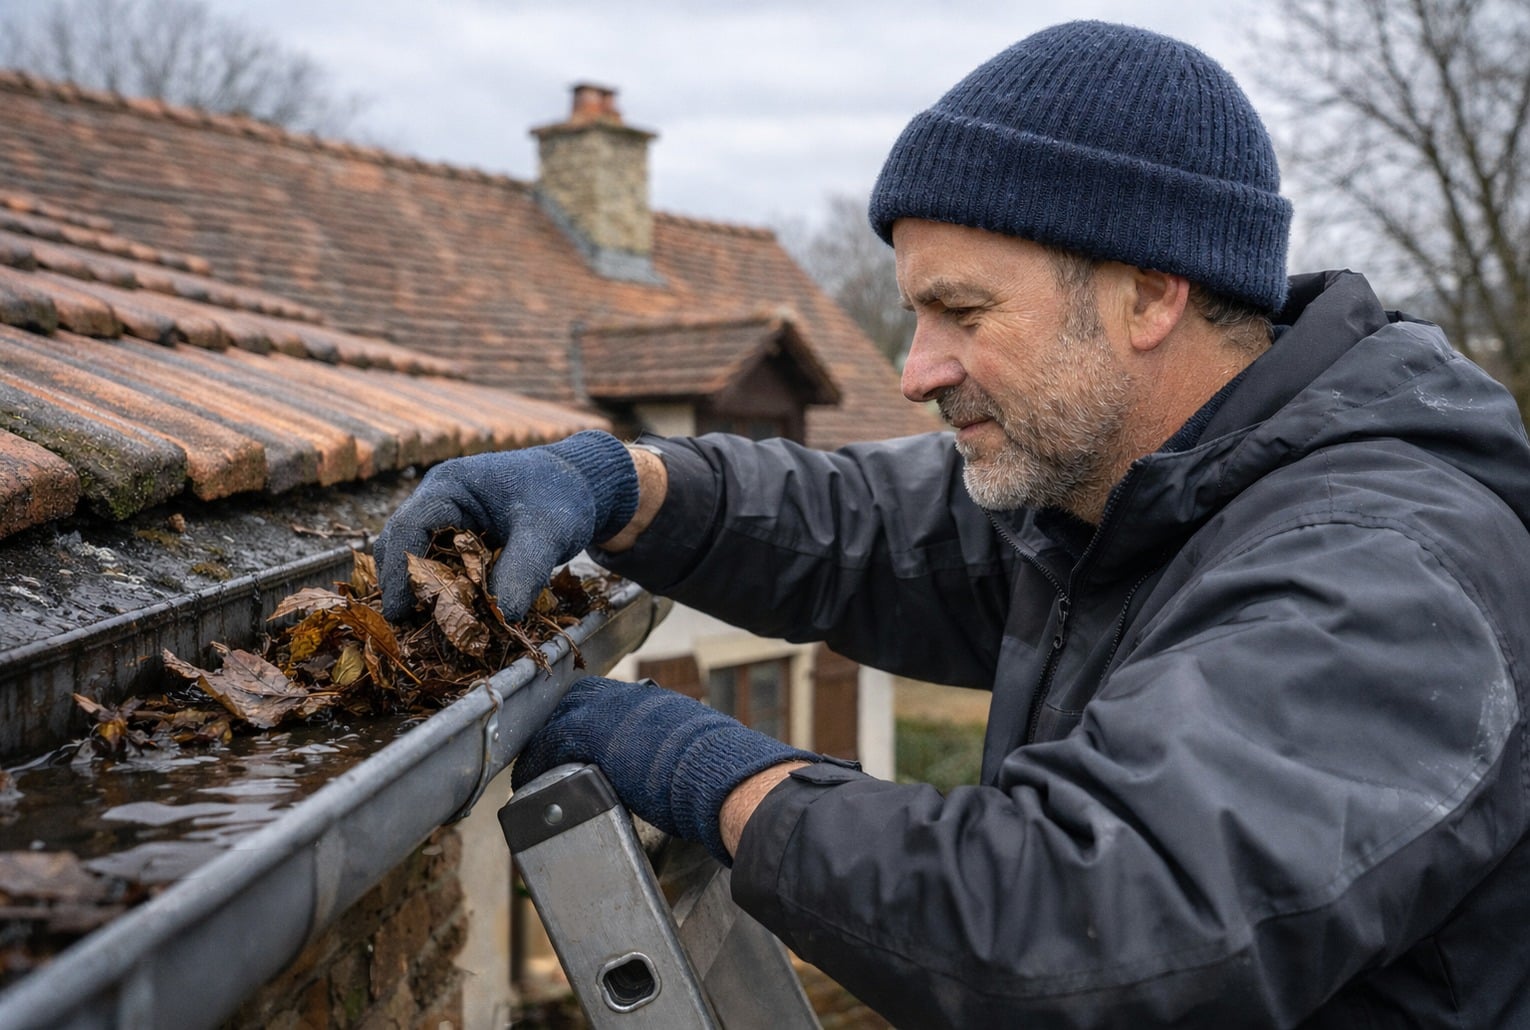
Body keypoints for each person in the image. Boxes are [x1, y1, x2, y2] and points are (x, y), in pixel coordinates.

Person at [374, 20, 1530, 1028]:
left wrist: (706, 772)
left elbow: (1080, 927)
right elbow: (869, 526)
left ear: (1150, 292)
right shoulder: (1129, 494)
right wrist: (616, 483)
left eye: (963, 310)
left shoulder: (1385, 571)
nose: (917, 369)